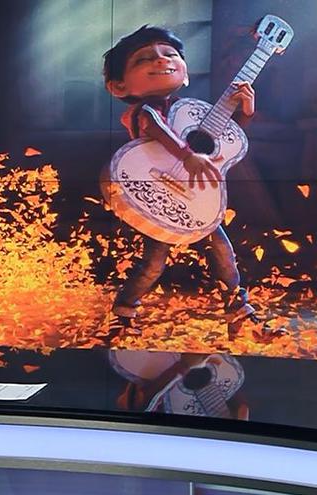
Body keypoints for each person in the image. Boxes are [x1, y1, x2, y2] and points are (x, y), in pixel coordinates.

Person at [101, 26, 284, 341]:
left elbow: (225, 140)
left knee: (224, 254)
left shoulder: (191, 112)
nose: (161, 60)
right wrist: (187, 155)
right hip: (158, 196)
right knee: (153, 265)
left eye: (170, 54)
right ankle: (122, 315)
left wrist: (246, 112)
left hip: (197, 201)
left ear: (185, 73)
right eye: (144, 58)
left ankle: (242, 317)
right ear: (119, 86)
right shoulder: (145, 110)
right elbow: (155, 128)